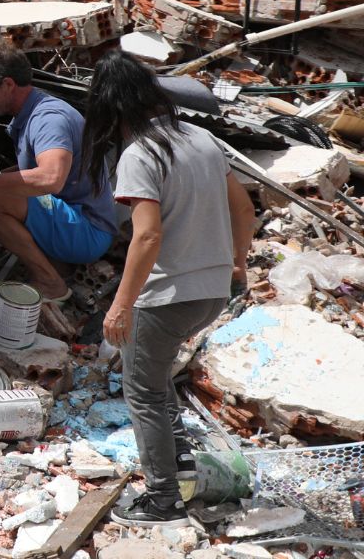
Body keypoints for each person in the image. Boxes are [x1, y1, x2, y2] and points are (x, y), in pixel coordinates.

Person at [84, 53, 254, 526]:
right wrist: (237, 262)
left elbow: (147, 235)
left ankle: (162, 501)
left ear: (110, 106)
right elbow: (245, 211)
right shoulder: (201, 138)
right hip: (212, 291)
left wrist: (121, 304)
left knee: (142, 393)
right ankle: (180, 470)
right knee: (157, 386)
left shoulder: (139, 154)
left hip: (168, 297)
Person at [0, 41, 115, 305]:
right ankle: (53, 264)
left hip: (89, 231)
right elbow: (25, 174)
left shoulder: (48, 119)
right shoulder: (29, 114)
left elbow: (50, 179)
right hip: (69, 221)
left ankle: (50, 282)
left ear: (8, 84)